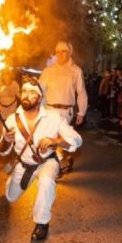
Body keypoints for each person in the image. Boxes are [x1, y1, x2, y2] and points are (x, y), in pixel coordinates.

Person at [0, 76, 82, 243]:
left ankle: (42, 223)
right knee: (11, 197)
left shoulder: (53, 117)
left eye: (32, 92)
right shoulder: (12, 119)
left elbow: (77, 140)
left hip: (46, 162)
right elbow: (1, 151)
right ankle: (11, 184)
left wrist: (56, 141)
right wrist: (6, 139)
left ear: (40, 97)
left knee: (47, 180)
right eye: (25, 91)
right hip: (23, 164)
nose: (27, 95)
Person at [39, 41, 87, 173]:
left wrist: (81, 112)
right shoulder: (48, 70)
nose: (60, 54)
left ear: (69, 53)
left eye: (64, 51)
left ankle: (63, 160)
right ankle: (56, 164)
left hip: (66, 111)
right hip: (49, 109)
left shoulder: (76, 70)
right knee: (49, 137)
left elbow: (81, 92)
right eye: (58, 51)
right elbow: (40, 90)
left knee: (60, 138)